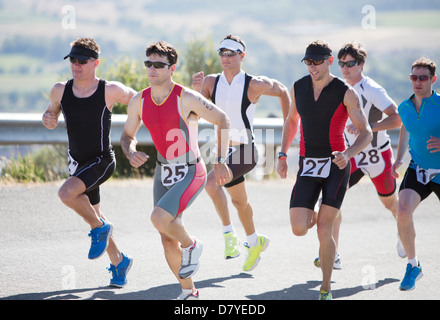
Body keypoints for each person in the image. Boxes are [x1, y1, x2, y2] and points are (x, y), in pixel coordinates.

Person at [120, 41, 230, 300]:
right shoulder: (139, 100)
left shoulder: (186, 97)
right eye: (149, 64)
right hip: (163, 172)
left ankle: (192, 244)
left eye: (159, 65)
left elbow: (223, 119)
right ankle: (189, 291)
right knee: (166, 236)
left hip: (191, 171)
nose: (152, 69)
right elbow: (126, 136)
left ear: (172, 68)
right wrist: (130, 150)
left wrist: (221, 159)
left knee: (159, 218)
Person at [276, 40, 372, 300]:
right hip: (308, 164)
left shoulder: (346, 92)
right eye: (308, 62)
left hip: (336, 165)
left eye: (317, 61)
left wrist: (348, 154)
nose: (312, 66)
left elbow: (366, 132)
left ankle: (326, 288)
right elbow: (292, 120)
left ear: (330, 61)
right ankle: (323, 210)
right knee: (299, 227)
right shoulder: (298, 87)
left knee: (323, 229)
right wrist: (283, 154)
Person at [42, 37, 136, 287]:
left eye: (82, 61)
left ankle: (100, 228)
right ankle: (119, 262)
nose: (76, 65)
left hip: (102, 161)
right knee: (93, 213)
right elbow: (51, 111)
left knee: (66, 193)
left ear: (95, 63)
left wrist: (132, 133)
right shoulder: (60, 90)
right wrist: (48, 118)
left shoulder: (110, 90)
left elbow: (140, 101)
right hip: (77, 164)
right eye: (72, 60)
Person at [192, 34, 290, 272]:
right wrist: (196, 91)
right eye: (222, 53)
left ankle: (229, 237)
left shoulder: (254, 83)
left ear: (241, 56)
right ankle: (255, 241)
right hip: (223, 149)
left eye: (231, 53)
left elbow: (283, 90)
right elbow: (194, 113)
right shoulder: (211, 83)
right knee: (239, 201)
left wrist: (290, 123)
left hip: (246, 151)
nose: (225, 58)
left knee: (211, 184)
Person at [313, 42, 403, 269]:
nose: (345, 68)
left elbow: (396, 118)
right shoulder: (336, 87)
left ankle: (403, 232)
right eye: (342, 64)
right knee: (330, 201)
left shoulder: (372, 88)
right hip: (350, 155)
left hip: (376, 156)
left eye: (351, 64)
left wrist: (369, 126)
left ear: (361, 64)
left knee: (390, 203)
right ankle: (332, 252)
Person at [391, 57, 440, 291]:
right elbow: (404, 128)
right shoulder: (404, 107)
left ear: (433, 79)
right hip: (418, 169)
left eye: (423, 78)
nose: (417, 82)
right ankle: (413, 265)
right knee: (402, 210)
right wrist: (399, 157)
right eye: (414, 77)